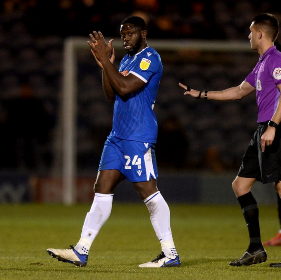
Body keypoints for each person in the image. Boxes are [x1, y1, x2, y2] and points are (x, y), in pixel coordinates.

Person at [47, 16, 180, 268]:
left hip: (138, 136)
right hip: (117, 137)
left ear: (143, 33)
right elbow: (111, 94)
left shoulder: (150, 58)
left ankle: (170, 252)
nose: (125, 38)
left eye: (130, 33)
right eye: (122, 34)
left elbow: (125, 87)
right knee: (102, 186)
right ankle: (81, 250)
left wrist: (110, 67)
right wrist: (106, 64)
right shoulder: (127, 60)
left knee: (147, 191)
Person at [179, 13, 281, 267]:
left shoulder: (276, 58)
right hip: (262, 130)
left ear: (260, 33)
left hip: (275, 128)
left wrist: (274, 126)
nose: (247, 36)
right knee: (240, 186)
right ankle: (256, 248)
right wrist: (201, 94)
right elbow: (237, 92)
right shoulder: (261, 63)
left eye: (250, 31)